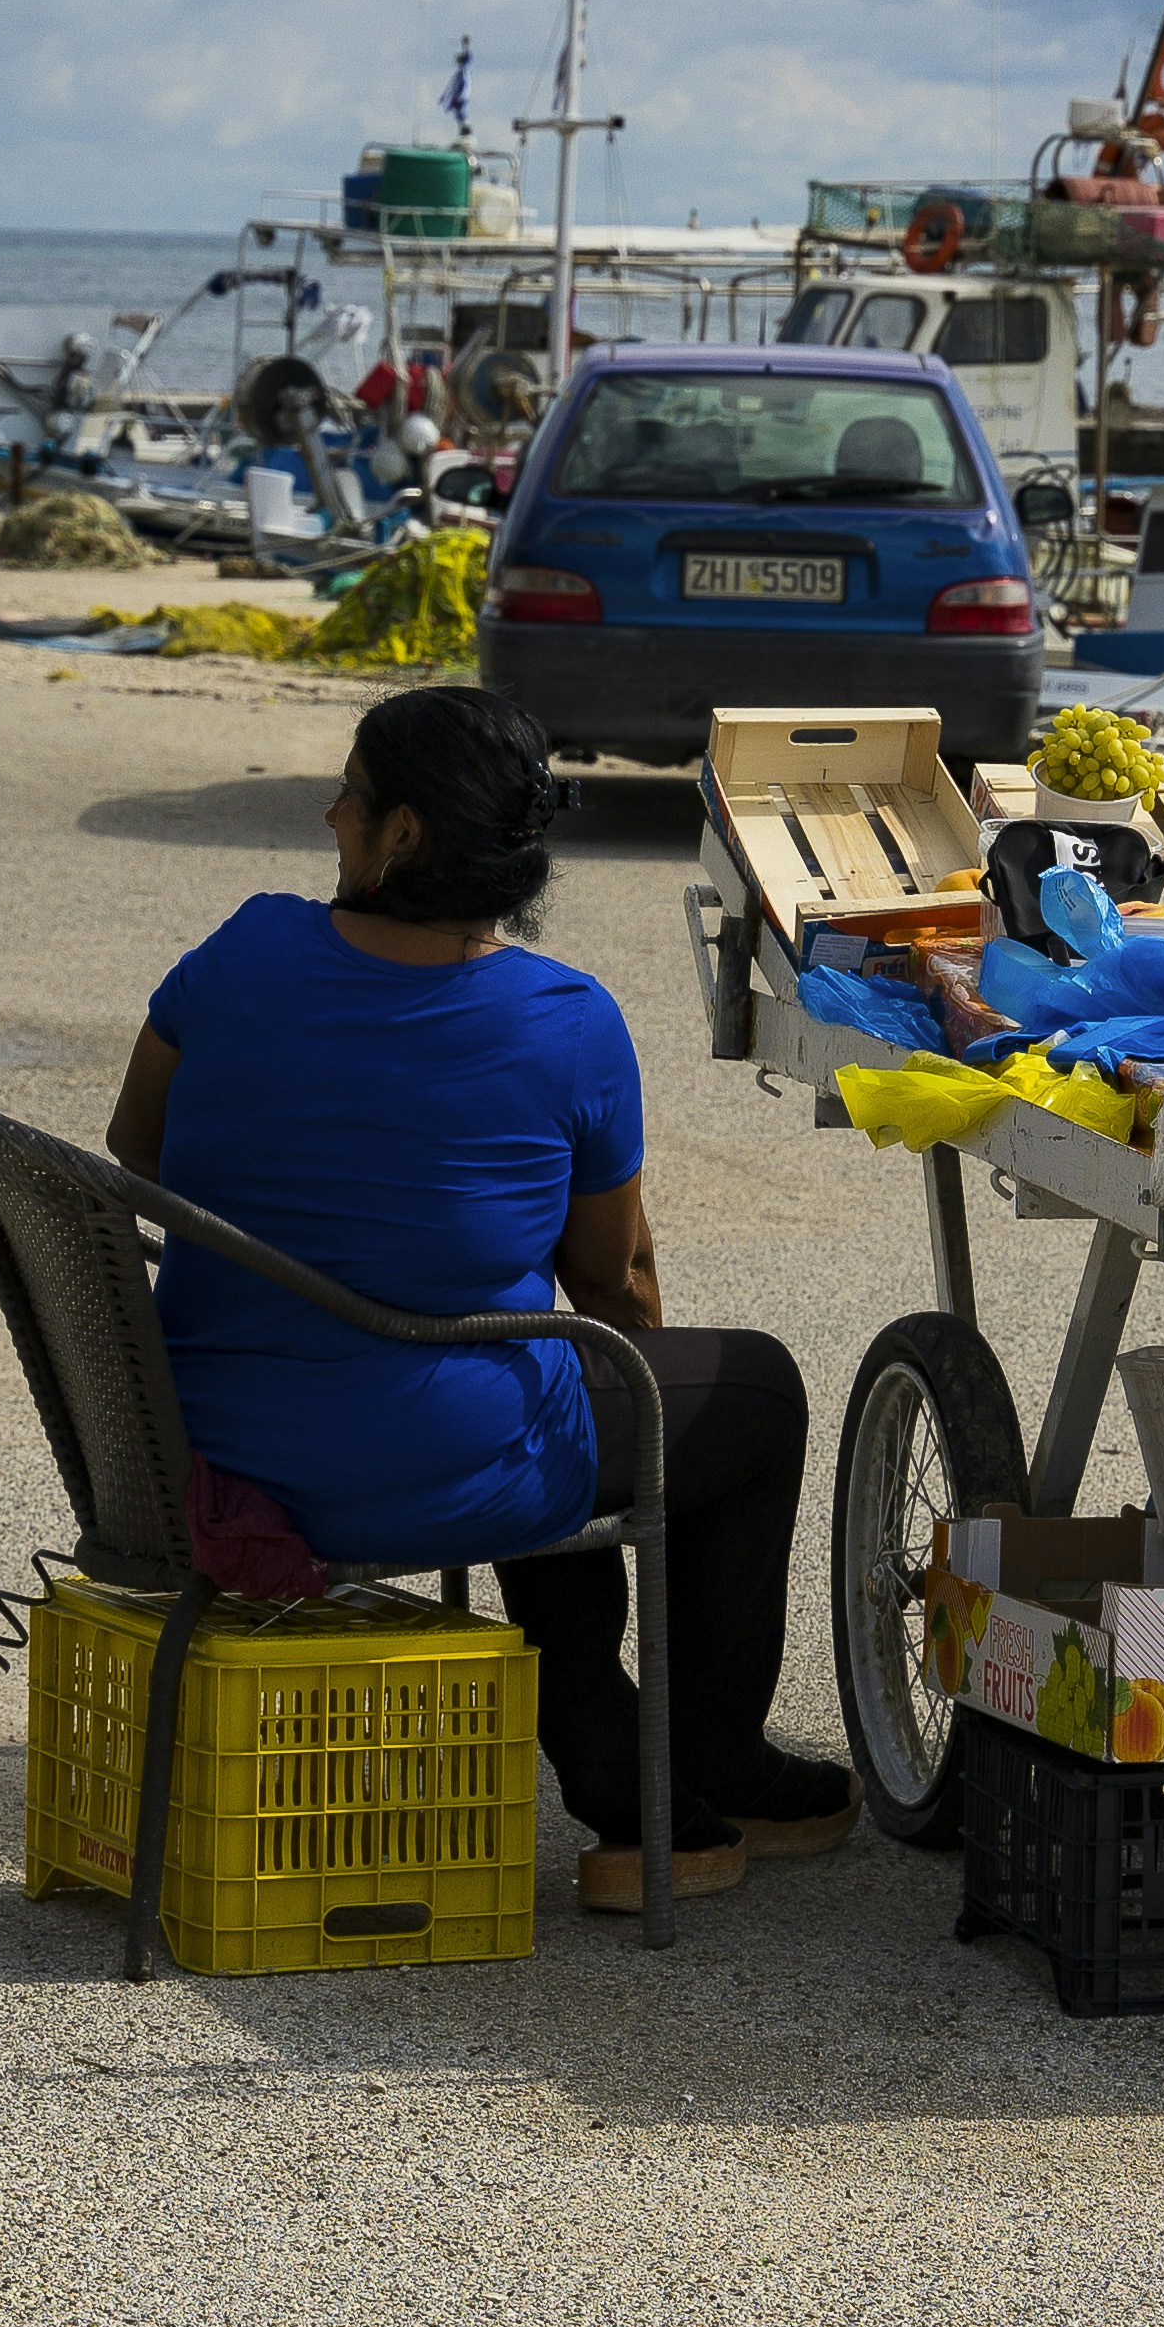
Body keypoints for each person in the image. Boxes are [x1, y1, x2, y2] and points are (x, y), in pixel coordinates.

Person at [102, 685, 850, 1915]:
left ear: (400, 836)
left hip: (204, 1445)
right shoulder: (562, 1020)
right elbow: (612, 1282)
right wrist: (627, 1388)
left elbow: (137, 1145)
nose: (329, 806)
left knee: (537, 1378)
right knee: (740, 1392)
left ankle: (612, 1754)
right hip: (434, 1465)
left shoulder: (242, 949)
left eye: (351, 788)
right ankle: (693, 1767)